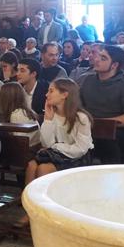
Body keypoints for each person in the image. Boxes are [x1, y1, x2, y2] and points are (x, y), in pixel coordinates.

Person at [17, 78, 94, 226]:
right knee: (32, 165)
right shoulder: (52, 114)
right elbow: (47, 143)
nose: (47, 94)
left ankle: (44, 214)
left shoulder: (81, 118)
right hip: (56, 155)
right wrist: (48, 120)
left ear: (65, 94)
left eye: (51, 91)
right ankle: (30, 211)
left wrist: (58, 146)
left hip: (77, 159)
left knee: (43, 168)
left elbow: (80, 149)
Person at [78, 44, 124, 164]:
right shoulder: (88, 81)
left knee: (108, 139)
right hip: (90, 127)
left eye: (103, 58)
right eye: (98, 56)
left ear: (114, 65)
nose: (96, 60)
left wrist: (101, 124)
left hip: (120, 130)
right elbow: (79, 105)